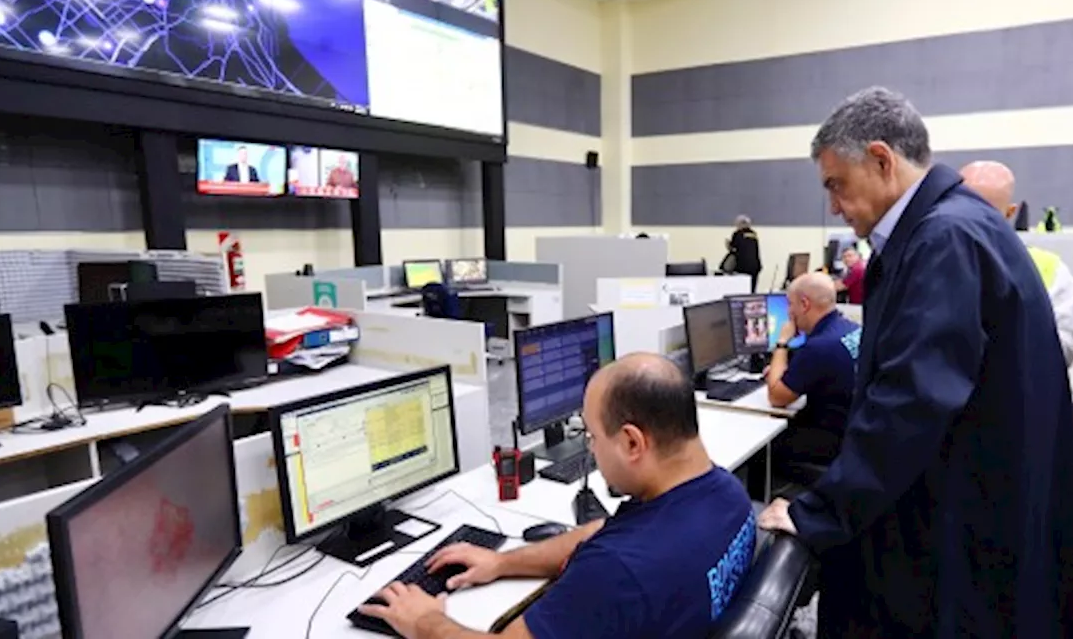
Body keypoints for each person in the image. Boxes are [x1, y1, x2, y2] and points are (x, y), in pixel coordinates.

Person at [757, 86, 1073, 638]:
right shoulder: (957, 225)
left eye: (835, 183)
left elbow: (912, 400)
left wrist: (816, 511)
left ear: (882, 160)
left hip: (960, 528)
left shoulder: (943, 239)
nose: (833, 205)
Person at [357, 353, 758, 639]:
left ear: (633, 443)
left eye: (592, 436)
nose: (591, 449)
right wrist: (501, 562)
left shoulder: (617, 572)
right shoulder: (727, 494)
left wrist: (425, 622)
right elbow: (602, 530)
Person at [960, 160, 1073, 366]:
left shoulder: (1047, 267)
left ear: (1010, 213)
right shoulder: (928, 258)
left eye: (986, 213)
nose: (974, 221)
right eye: (964, 209)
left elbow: (1066, 341)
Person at [765, 272, 862, 474]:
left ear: (805, 304)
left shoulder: (819, 347)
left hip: (830, 439)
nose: (789, 312)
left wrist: (782, 343)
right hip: (855, 431)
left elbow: (776, 397)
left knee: (763, 446)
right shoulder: (850, 328)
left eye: (790, 305)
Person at [727, 215, 762, 292]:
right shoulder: (754, 234)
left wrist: (728, 245)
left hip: (742, 267)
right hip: (755, 266)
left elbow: (733, 249)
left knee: (741, 290)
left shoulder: (737, 234)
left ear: (740, 224)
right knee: (752, 290)